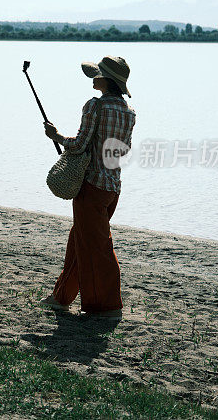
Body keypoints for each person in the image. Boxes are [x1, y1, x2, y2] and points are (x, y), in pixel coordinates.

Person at [40, 56, 136, 319]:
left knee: (97, 249)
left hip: (91, 186)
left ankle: (106, 307)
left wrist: (56, 136)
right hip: (112, 187)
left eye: (98, 74)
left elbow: (80, 144)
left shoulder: (94, 106)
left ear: (107, 81)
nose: (94, 78)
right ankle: (61, 297)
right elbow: (121, 150)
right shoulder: (129, 113)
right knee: (80, 241)